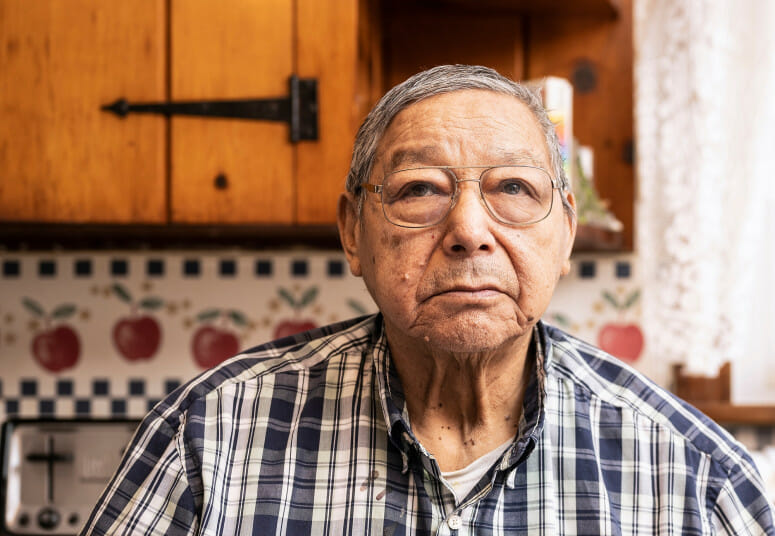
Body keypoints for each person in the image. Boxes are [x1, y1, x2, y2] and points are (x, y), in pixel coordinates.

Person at [80, 65, 775, 535]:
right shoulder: (209, 433)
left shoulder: (690, 472)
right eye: (419, 191)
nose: (469, 231)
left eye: (512, 190)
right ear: (353, 232)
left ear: (564, 233)